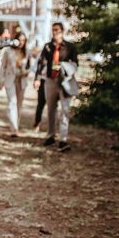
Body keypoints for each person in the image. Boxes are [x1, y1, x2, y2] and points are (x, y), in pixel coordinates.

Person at [35, 22, 78, 152]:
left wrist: (65, 69)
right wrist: (37, 79)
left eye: (57, 30)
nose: (55, 33)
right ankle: (50, 135)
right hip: (50, 80)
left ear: (62, 31)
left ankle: (63, 139)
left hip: (64, 81)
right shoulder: (48, 47)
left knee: (65, 110)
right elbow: (41, 63)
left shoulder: (70, 47)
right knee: (51, 109)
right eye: (53, 30)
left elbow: (75, 64)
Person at [0, 32, 31, 137]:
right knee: (12, 102)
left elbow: (31, 66)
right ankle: (14, 128)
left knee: (19, 104)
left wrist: (27, 71)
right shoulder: (8, 51)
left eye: (23, 40)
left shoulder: (27, 52)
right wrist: (1, 80)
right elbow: (3, 66)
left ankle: (16, 123)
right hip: (10, 79)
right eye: (19, 40)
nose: (21, 42)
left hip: (22, 80)